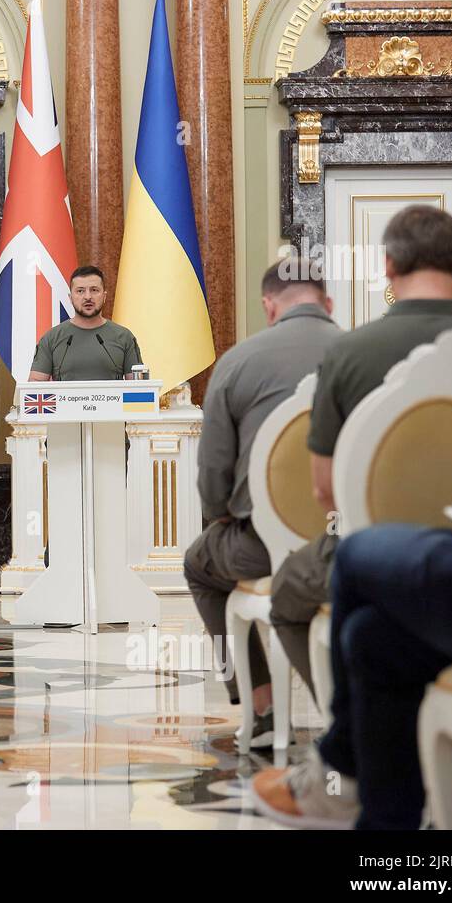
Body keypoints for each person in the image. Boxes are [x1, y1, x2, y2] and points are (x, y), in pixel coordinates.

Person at [268, 206, 452, 695]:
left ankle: (343, 728)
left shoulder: (347, 353)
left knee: (288, 593)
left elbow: (325, 491)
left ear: (387, 266)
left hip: (368, 557)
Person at [184, 257, 339, 748]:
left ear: (269, 307)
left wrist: (222, 517)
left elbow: (213, 474)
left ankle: (263, 704)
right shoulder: (361, 355)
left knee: (198, 564)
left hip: (263, 548)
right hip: (349, 543)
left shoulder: (237, 362)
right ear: (328, 303)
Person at [29, 265, 142, 382]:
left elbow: (138, 391)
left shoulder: (124, 337)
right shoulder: (51, 338)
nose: (88, 297)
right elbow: (35, 388)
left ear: (104, 296)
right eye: (80, 291)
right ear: (70, 297)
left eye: (94, 290)